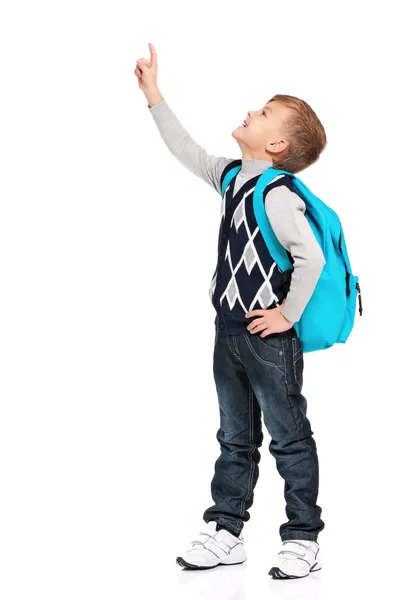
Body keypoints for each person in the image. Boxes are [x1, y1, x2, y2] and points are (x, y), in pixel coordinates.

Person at [134, 43, 326, 579]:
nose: (251, 111)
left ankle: (303, 536)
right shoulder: (231, 177)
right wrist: (154, 95)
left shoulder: (278, 194)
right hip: (229, 331)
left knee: (289, 435)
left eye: (263, 113)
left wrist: (286, 316)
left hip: (269, 338)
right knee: (234, 435)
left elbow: (310, 257)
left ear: (278, 143)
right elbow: (184, 148)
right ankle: (226, 529)